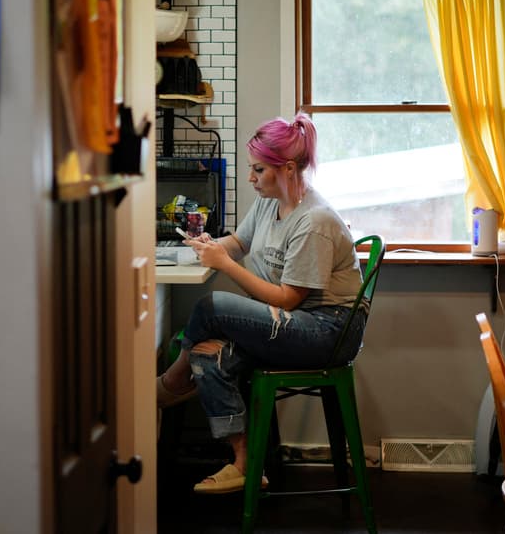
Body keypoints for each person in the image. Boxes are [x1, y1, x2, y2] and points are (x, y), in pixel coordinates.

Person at [156, 111, 367, 494]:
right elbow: (238, 243)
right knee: (208, 351)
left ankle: (174, 379)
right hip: (291, 319)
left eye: (258, 170)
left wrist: (223, 265)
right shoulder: (271, 201)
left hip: (326, 329)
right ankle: (244, 462)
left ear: (287, 169)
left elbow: (289, 299)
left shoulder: (314, 220)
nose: (251, 178)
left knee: (210, 308)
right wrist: (211, 247)